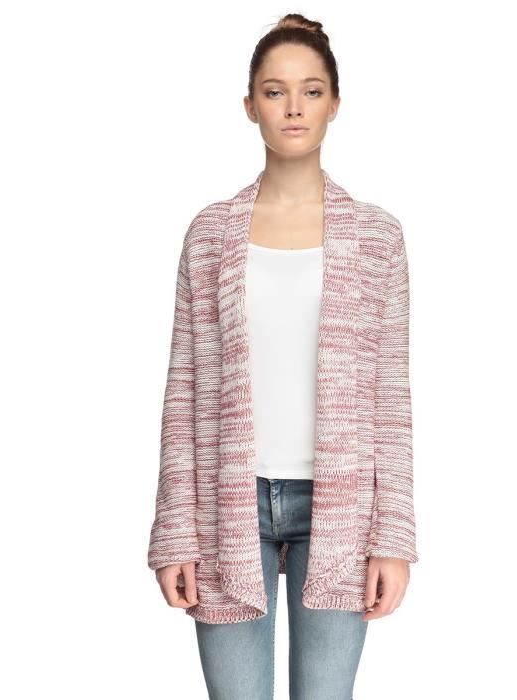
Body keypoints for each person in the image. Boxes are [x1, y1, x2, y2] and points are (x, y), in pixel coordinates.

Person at [147, 13, 419, 699]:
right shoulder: (210, 235)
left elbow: (391, 395)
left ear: (334, 103)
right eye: (275, 92)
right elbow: (184, 388)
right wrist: (175, 531)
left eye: (311, 91)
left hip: (342, 509)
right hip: (227, 506)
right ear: (250, 106)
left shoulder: (377, 237)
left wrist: (393, 537)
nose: (294, 107)